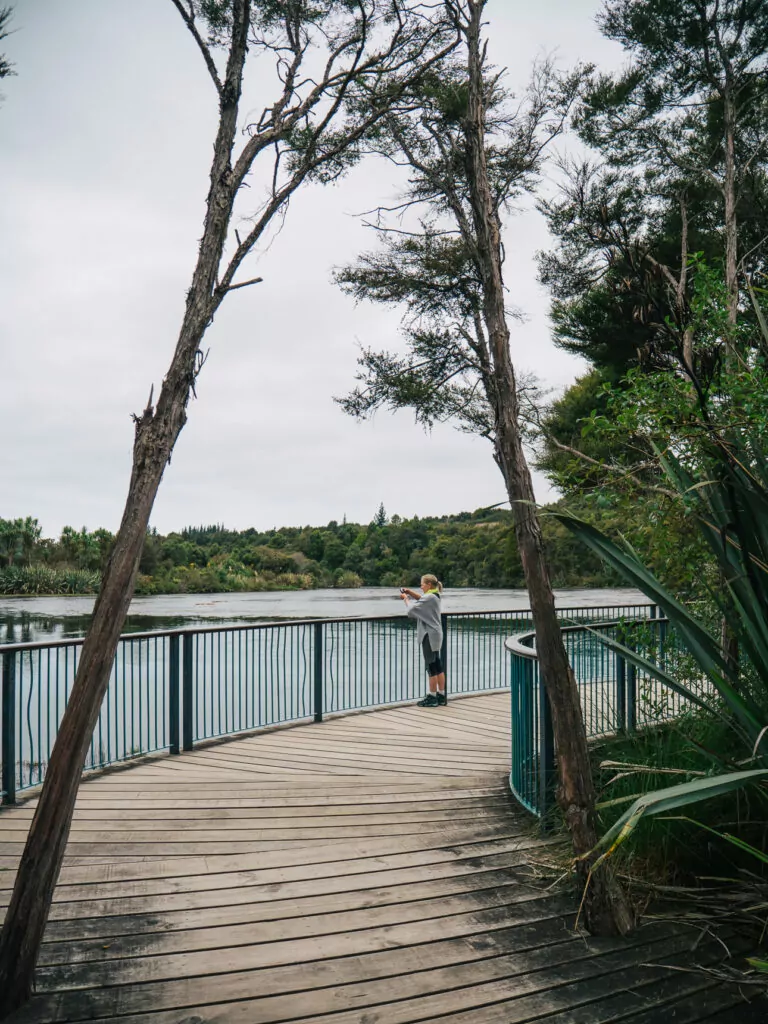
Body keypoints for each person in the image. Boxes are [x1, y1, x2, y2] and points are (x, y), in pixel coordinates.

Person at [400, 574, 446, 707]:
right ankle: (441, 695)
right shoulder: (434, 595)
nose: (421, 586)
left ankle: (432, 697)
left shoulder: (430, 597)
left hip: (429, 635)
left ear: (429, 585)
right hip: (436, 633)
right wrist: (409, 592)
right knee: (437, 664)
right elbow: (421, 599)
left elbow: (411, 609)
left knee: (431, 666)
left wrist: (406, 598)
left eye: (422, 584)